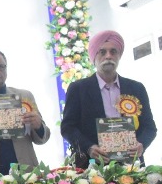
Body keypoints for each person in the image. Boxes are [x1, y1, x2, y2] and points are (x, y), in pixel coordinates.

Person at [61, 30, 157, 165]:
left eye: (113, 51)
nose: (108, 56)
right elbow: (68, 128)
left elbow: (150, 127)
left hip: (131, 166)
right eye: (102, 52)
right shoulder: (78, 89)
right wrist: (89, 147)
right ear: (94, 56)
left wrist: (141, 144)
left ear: (119, 55)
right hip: (92, 167)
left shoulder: (136, 88)